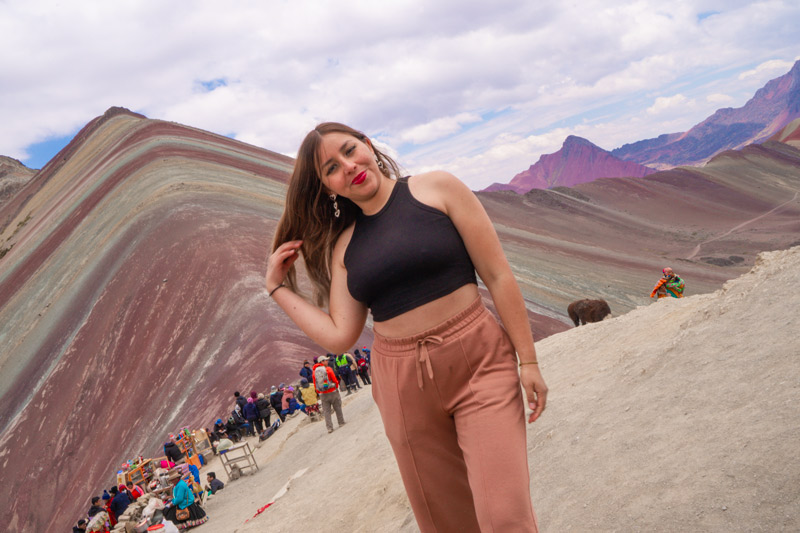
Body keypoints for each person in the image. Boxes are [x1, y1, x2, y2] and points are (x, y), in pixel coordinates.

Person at [265, 122, 546, 532]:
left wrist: (529, 360)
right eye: (331, 168)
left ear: (368, 144)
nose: (348, 166)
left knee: (504, 517)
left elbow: (498, 275)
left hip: (480, 363)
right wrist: (276, 287)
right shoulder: (344, 248)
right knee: (448, 524)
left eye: (349, 150)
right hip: (401, 385)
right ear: (327, 187)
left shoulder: (438, 189)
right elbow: (340, 336)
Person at [311, 355, 345, 433]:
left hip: (323, 394)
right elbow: (335, 380)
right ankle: (341, 422)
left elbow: (315, 384)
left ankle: (329, 428)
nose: (327, 361)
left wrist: (320, 392)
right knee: (337, 408)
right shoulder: (328, 369)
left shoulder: (314, 372)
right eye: (326, 360)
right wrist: (336, 388)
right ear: (321, 362)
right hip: (332, 392)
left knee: (326, 411)